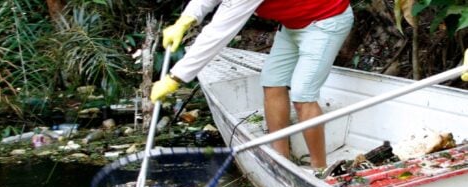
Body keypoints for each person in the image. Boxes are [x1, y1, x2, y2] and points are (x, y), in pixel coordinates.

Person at [150, 0, 354, 170]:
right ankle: (280, 160)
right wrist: (187, 18)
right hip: (293, 26)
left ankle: (320, 170)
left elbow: (219, 32)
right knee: (272, 82)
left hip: (326, 21)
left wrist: (175, 78)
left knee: (302, 94)